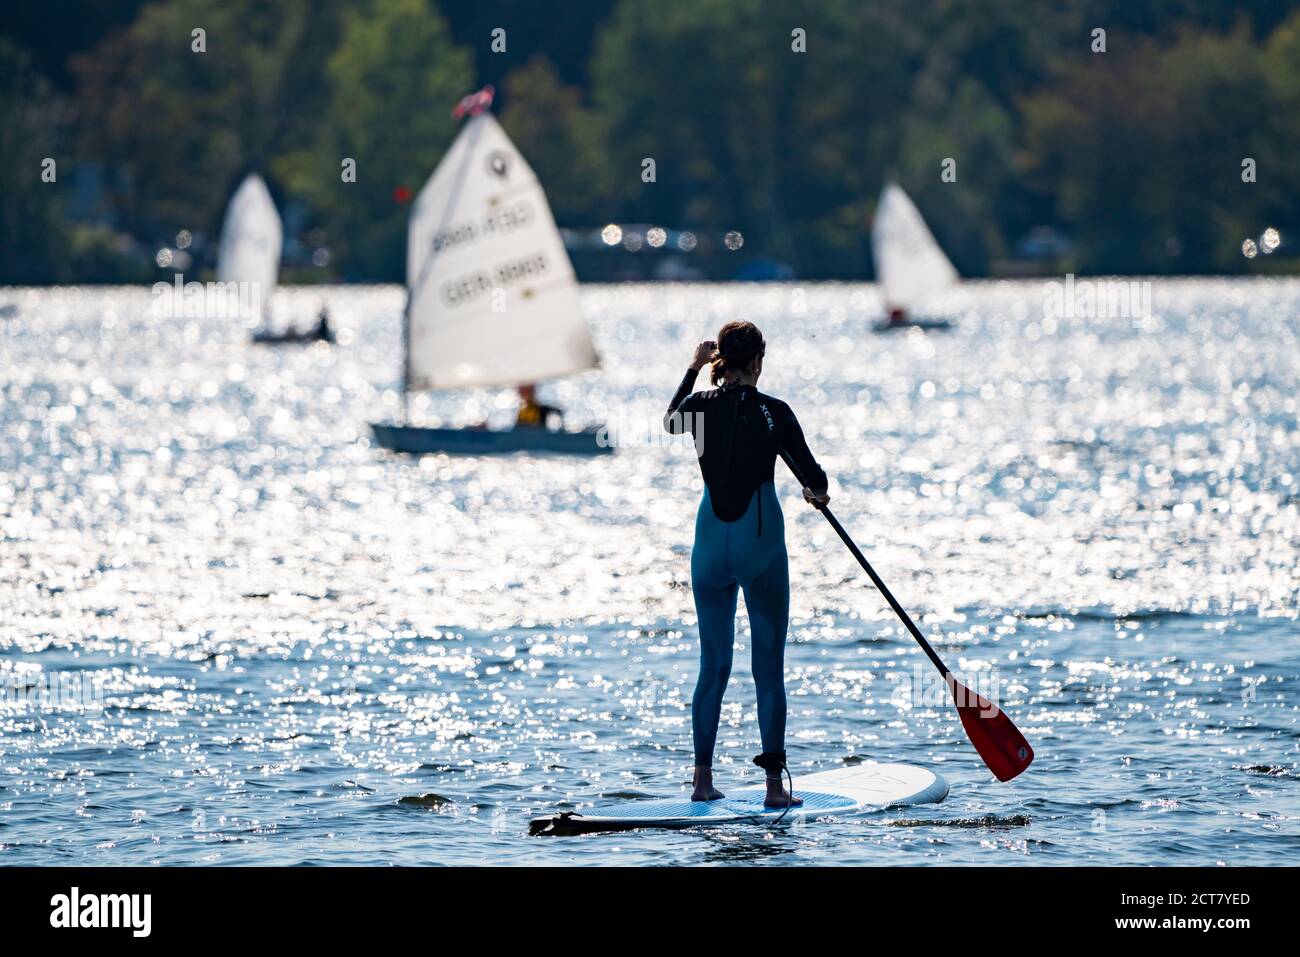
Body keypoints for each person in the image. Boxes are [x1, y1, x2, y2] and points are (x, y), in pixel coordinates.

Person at [664, 320, 829, 808]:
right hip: (760, 548)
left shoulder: (698, 405)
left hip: (709, 546)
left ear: (719, 360)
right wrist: (815, 493)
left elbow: (671, 419)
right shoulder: (774, 412)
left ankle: (701, 781)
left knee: (712, 666)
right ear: (758, 361)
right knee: (767, 671)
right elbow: (813, 475)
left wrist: (692, 368)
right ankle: (774, 789)